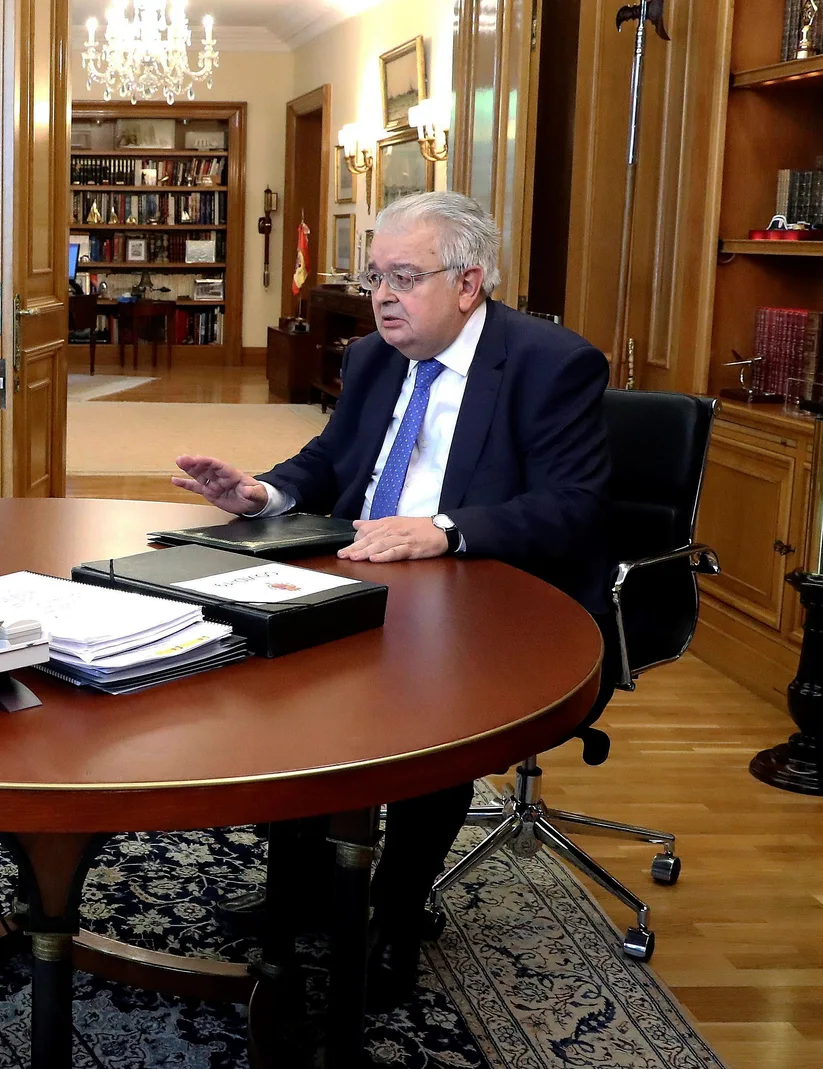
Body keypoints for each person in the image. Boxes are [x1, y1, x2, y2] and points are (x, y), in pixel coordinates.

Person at [173, 191, 612, 1007]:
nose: (382, 295)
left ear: (469, 283)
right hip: (359, 561)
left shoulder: (554, 363)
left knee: (423, 709)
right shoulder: (376, 355)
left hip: (480, 581)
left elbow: (573, 506)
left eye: (404, 277)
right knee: (279, 677)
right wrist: (261, 493)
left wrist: (442, 530)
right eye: (376, 274)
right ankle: (300, 886)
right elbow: (332, 457)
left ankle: (398, 915)